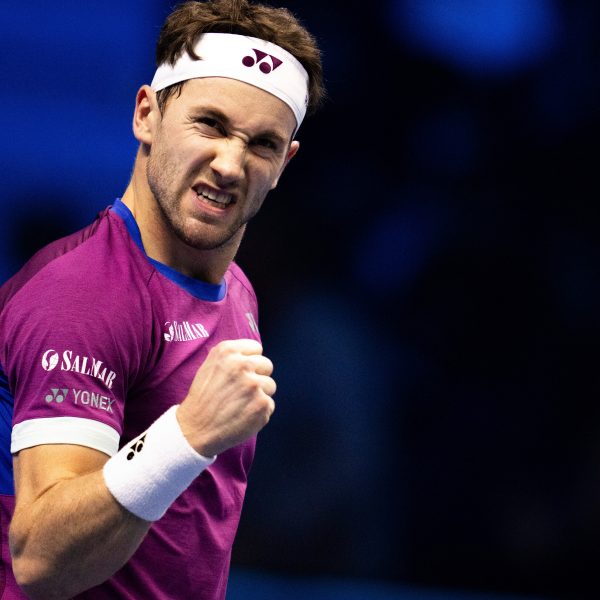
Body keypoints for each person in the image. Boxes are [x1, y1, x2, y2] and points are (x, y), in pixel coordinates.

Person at [0, 0, 324, 597]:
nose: (230, 163)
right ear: (147, 114)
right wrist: (187, 435)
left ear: (285, 164)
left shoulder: (239, 291)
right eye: (211, 125)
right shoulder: (81, 294)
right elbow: (40, 561)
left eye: (262, 144)